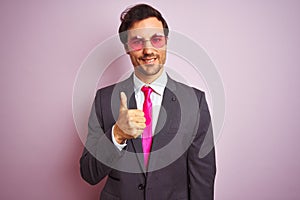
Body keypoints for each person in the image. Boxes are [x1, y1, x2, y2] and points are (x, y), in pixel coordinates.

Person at [80, 4, 216, 200]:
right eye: (137, 42)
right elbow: (88, 174)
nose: (148, 50)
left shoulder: (195, 101)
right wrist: (117, 135)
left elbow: (203, 178)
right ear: (127, 48)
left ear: (166, 42)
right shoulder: (103, 100)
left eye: (156, 39)